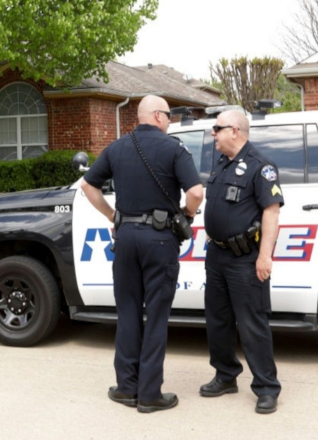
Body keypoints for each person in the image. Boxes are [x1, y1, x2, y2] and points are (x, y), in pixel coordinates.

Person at [81, 95, 203, 413]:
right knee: (157, 316)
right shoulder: (174, 149)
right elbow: (196, 192)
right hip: (159, 240)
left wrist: (112, 216)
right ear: (158, 116)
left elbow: (88, 186)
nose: (170, 122)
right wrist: (187, 215)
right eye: (169, 116)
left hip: (124, 238)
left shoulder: (117, 147)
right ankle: (149, 394)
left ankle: (126, 388)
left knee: (128, 313)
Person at [201, 110, 284, 414]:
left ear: (234, 130)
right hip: (217, 255)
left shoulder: (261, 166)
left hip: (246, 258)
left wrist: (265, 256)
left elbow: (271, 212)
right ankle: (225, 376)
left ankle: (266, 388)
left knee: (252, 323)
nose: (213, 133)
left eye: (217, 128)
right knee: (218, 320)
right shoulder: (222, 163)